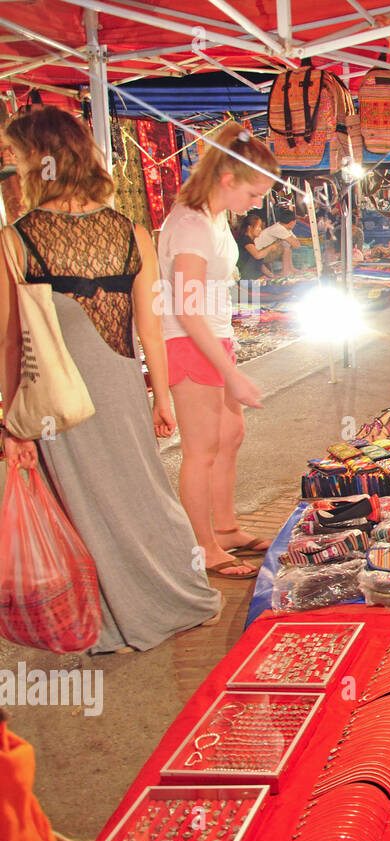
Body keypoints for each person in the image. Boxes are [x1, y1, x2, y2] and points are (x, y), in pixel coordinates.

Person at [0, 106, 221, 651]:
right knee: (143, 490)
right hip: (122, 378)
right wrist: (161, 396)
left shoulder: (18, 238)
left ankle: (109, 618)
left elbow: (11, 341)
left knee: (81, 501)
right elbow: (150, 326)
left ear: (37, 161)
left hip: (58, 390)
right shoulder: (131, 230)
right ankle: (173, 595)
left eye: (16, 155)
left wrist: (13, 421)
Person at [158, 124, 273, 579]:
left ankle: (224, 528)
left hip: (214, 337)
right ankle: (203, 547)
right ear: (228, 180)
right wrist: (232, 371)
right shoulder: (189, 223)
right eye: (253, 191)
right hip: (190, 343)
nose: (258, 203)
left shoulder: (213, 217)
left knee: (229, 437)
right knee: (201, 449)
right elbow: (187, 309)